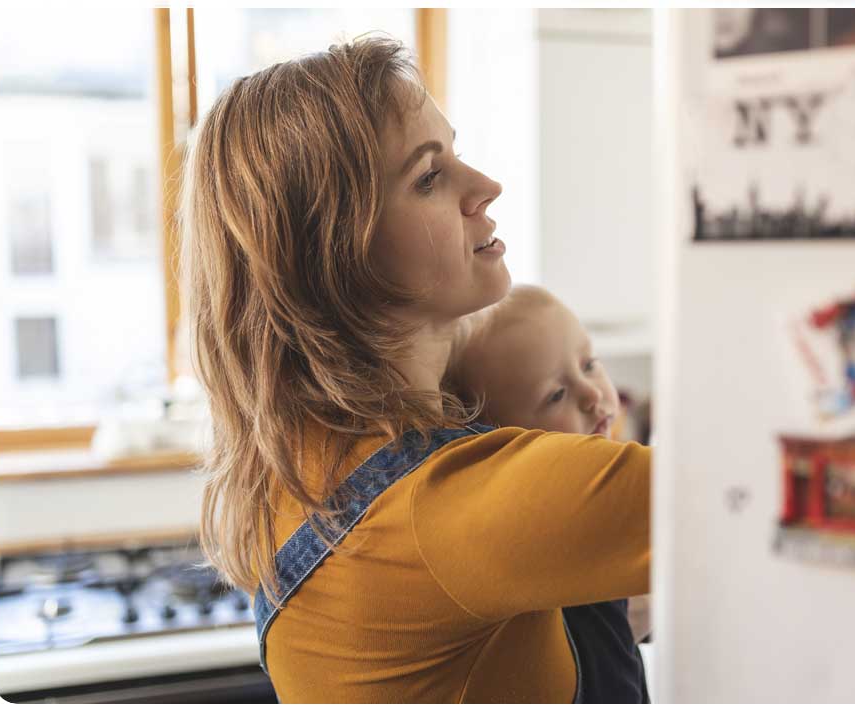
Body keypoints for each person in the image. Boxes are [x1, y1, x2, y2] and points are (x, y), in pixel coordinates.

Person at [179, 35, 650, 703]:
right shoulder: (446, 508)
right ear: (339, 254)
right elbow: (746, 498)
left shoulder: (301, 468)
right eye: (429, 177)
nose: (486, 186)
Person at [446, 284, 652, 702]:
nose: (593, 393)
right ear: (502, 443)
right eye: (556, 394)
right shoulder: (549, 533)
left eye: (589, 363)